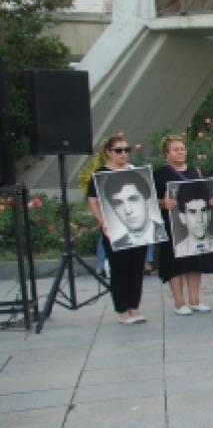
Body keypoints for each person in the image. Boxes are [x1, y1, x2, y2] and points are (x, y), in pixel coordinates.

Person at [87, 134, 150, 324]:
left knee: (136, 267)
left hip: (138, 231)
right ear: (109, 152)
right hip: (113, 229)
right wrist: (102, 222)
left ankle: (134, 306)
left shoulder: (135, 171)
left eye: (126, 150)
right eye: (119, 150)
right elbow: (93, 201)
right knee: (120, 268)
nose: (123, 154)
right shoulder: (100, 174)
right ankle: (122, 309)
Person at [155, 136, 213, 315]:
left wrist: (210, 200)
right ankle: (179, 303)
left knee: (195, 261)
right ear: (166, 153)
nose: (180, 152)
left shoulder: (194, 171)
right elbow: (152, 201)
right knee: (175, 263)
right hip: (172, 223)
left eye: (182, 148)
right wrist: (163, 203)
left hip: (196, 223)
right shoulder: (160, 174)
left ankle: (195, 300)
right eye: (175, 149)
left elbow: (203, 192)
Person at [97, 167, 166, 250]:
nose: (128, 210)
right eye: (118, 203)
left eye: (133, 199)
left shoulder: (165, 234)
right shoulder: (118, 243)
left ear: (147, 200)